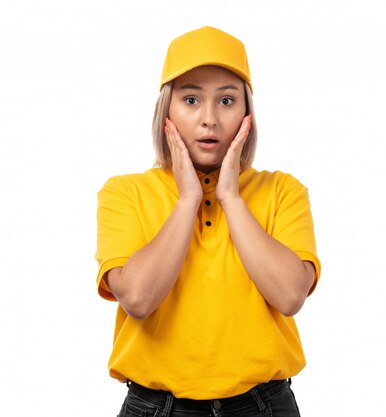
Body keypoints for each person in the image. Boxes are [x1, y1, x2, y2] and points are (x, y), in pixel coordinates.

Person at [95, 26, 321, 417]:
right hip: (155, 407)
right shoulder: (124, 193)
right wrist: (188, 200)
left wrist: (230, 197)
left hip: (263, 405)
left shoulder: (283, 190)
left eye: (227, 100)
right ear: (166, 110)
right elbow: (138, 299)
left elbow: (289, 296)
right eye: (191, 99)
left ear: (246, 114)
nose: (209, 119)